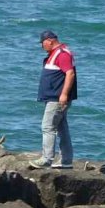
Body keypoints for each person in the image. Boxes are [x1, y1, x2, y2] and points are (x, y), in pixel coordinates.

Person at [30, 30, 76, 169]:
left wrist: (64, 94)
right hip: (54, 97)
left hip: (57, 98)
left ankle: (46, 158)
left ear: (49, 41)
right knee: (62, 127)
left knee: (47, 126)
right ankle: (66, 160)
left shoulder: (62, 54)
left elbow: (70, 73)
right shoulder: (56, 54)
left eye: (42, 43)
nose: (42, 46)